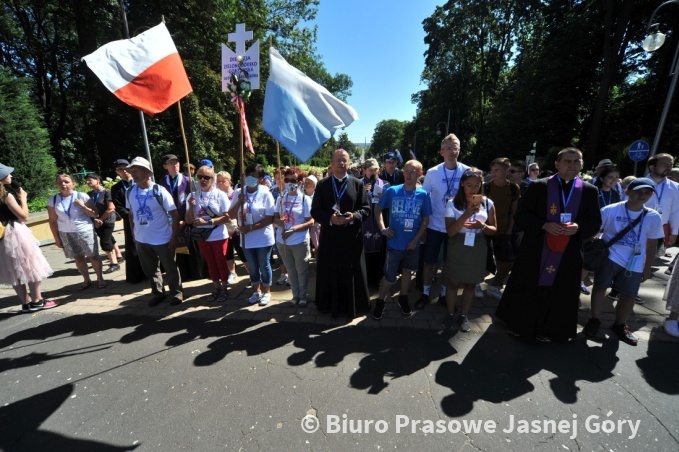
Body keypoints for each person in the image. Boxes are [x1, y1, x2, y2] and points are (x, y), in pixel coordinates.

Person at [496, 147, 601, 342]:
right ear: (557, 164)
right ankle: (519, 325)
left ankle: (550, 329)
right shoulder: (539, 186)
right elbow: (521, 215)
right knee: (529, 286)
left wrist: (578, 227)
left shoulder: (589, 191)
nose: (572, 165)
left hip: (568, 249)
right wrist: (544, 224)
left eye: (576, 161)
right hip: (536, 246)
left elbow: (594, 222)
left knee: (560, 291)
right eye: (567, 161)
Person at [584, 178, 664, 345]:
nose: (642, 195)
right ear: (627, 192)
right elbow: (595, 232)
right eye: (638, 191)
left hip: (635, 261)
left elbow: (652, 244)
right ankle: (595, 320)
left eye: (647, 193)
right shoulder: (611, 210)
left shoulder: (653, 216)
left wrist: (647, 267)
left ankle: (620, 325)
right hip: (610, 256)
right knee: (600, 287)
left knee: (629, 295)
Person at [311, 148, 371, 318]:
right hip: (330, 237)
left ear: (349, 163)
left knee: (352, 272)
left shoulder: (358, 184)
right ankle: (329, 305)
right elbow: (315, 211)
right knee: (330, 271)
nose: (341, 163)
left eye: (344, 160)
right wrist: (330, 218)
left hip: (351, 238)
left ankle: (354, 306)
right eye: (337, 160)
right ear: (331, 163)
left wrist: (354, 216)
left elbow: (366, 209)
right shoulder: (323, 185)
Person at [371, 160, 432, 320]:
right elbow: (378, 209)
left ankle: (403, 298)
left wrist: (416, 239)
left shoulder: (423, 195)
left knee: (407, 272)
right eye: (407, 171)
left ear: (420, 174)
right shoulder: (392, 190)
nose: (409, 174)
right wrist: (383, 229)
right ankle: (380, 301)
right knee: (389, 276)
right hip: (395, 243)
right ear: (403, 172)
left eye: (413, 171)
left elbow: (426, 219)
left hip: (413, 244)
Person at [417, 134, 470, 309]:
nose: (452, 151)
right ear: (441, 152)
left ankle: (444, 293)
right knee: (429, 261)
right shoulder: (433, 173)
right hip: (434, 225)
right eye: (448, 148)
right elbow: (423, 200)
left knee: (450, 263)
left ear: (459, 150)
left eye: (455, 147)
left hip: (456, 227)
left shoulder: (466, 171)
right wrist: (422, 227)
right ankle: (425, 293)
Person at [442, 168, 497, 331]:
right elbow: (451, 231)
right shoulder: (452, 203)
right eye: (469, 185)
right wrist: (466, 214)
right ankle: (451, 313)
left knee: (471, 284)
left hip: (477, 245)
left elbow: (494, 229)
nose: (473, 189)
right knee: (453, 282)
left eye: (477, 185)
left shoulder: (488, 203)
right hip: (458, 245)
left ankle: (464, 315)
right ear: (462, 184)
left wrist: (483, 226)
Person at [125, 157, 183, 306]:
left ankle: (176, 293)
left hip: (162, 238)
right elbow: (131, 214)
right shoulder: (130, 191)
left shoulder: (159, 191)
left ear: (147, 172)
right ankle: (158, 293)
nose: (133, 174)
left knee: (170, 268)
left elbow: (175, 216)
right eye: (131, 171)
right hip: (141, 239)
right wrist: (133, 234)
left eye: (136, 170)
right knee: (150, 269)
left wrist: (174, 237)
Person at [0, 163, 56, 312]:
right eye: (7, 174)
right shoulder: (6, 196)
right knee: (30, 265)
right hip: (15, 232)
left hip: (1, 236)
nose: (11, 176)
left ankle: (25, 302)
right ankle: (37, 301)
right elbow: (24, 216)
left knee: (13, 269)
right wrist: (23, 199)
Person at [227, 163, 276, 306]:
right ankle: (256, 291)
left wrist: (251, 228)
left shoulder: (265, 192)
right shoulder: (239, 192)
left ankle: (267, 291)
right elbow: (230, 214)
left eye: (254, 176)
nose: (250, 179)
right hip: (246, 239)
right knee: (253, 267)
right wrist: (238, 203)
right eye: (248, 176)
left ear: (260, 178)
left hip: (263, 238)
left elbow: (269, 218)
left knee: (263, 265)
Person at [48, 173, 106, 290]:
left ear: (73, 183)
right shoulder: (53, 199)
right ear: (57, 184)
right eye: (60, 182)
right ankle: (86, 279)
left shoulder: (81, 196)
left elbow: (95, 214)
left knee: (93, 256)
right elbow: (53, 220)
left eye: (66, 181)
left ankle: (100, 279)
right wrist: (57, 238)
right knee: (78, 258)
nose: (63, 184)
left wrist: (82, 206)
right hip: (66, 232)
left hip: (84, 230)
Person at [186, 165, 231, 302]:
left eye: (207, 177)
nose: (203, 180)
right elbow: (188, 220)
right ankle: (216, 287)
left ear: (213, 179)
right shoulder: (192, 196)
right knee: (210, 263)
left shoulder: (220, 195)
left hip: (218, 236)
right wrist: (191, 206)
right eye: (200, 177)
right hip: (202, 237)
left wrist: (208, 222)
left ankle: (224, 288)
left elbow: (227, 217)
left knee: (220, 262)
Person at [273, 167, 314, 306]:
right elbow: (275, 218)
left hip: (299, 241)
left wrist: (294, 229)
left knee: (301, 270)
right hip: (282, 240)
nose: (290, 182)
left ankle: (302, 295)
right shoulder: (280, 198)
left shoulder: (305, 199)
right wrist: (279, 222)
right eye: (287, 180)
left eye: (294, 180)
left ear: (300, 182)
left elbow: (311, 221)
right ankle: (295, 295)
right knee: (291, 270)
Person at [160, 154, 202, 281]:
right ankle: (181, 274)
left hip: (187, 220)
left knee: (190, 247)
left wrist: (186, 218)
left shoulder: (188, 181)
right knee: (174, 248)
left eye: (176, 162)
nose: (175, 165)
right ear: (165, 166)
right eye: (171, 163)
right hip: (170, 222)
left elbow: (196, 200)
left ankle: (195, 273)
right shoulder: (161, 183)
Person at [483, 157, 520, 300]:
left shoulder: (513, 188)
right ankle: (476, 285)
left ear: (506, 170)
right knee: (481, 261)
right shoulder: (485, 187)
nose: (493, 172)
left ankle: (494, 285)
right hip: (485, 230)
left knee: (508, 261)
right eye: (492, 170)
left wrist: (510, 230)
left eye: (497, 170)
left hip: (504, 231)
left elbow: (513, 212)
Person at [110, 159, 144, 283]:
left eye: (125, 168)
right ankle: (137, 275)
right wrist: (131, 215)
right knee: (133, 247)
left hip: (146, 219)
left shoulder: (141, 182)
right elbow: (118, 206)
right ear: (117, 172)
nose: (124, 171)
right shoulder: (116, 188)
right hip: (130, 221)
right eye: (120, 169)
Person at [85, 173, 123, 274]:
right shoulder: (89, 194)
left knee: (105, 242)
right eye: (87, 180)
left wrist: (101, 219)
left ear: (98, 180)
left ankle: (114, 264)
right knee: (109, 237)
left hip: (107, 220)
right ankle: (119, 256)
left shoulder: (107, 192)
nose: (88, 182)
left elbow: (111, 208)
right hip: (96, 221)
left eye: (90, 180)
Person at [644, 153, 679, 255]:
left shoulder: (676, 187)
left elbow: (675, 211)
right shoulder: (639, 184)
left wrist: (674, 232)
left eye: (671, 165)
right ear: (652, 167)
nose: (669, 167)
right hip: (639, 228)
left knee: (650, 260)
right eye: (664, 164)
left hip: (660, 231)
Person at [362, 158, 387, 286]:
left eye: (375, 169)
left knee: (379, 255)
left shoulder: (385, 185)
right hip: (364, 225)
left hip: (379, 224)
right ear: (364, 171)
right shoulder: (358, 184)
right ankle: (365, 282)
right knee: (365, 256)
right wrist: (364, 193)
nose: (373, 172)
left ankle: (377, 280)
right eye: (370, 169)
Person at [216, 170, 244, 283]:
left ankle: (251, 273)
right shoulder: (216, 195)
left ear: (230, 182)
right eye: (219, 181)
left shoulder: (236, 194)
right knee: (227, 253)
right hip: (223, 228)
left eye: (224, 181)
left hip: (236, 227)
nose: (221, 183)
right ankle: (232, 272)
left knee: (241, 251)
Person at [304, 174, 320, 252]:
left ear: (314, 186)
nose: (306, 184)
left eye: (309, 182)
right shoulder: (302, 197)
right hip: (304, 225)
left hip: (315, 225)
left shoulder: (318, 197)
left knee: (318, 246)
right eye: (305, 182)